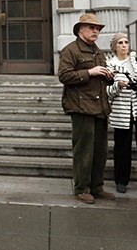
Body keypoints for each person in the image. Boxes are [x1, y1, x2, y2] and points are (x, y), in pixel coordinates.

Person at [58, 13, 116, 204]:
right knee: (84, 150)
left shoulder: (97, 51)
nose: (95, 31)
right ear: (80, 29)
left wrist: (109, 76)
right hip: (81, 106)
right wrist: (89, 72)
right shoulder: (71, 50)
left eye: (98, 29)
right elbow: (64, 76)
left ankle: (96, 187)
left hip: (99, 105)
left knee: (100, 150)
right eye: (91, 28)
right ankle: (82, 188)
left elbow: (100, 75)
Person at [106, 32, 137, 194]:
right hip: (121, 110)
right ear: (114, 46)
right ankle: (121, 181)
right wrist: (117, 86)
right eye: (120, 42)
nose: (123, 45)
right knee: (122, 147)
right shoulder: (109, 65)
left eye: (126, 42)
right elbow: (106, 91)